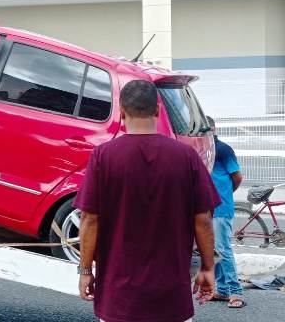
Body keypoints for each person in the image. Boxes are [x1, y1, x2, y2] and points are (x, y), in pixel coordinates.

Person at [74, 80, 220, 322]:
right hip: (171, 296)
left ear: (121, 112)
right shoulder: (186, 156)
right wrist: (207, 267)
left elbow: (90, 219)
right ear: (157, 110)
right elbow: (202, 219)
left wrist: (85, 270)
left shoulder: (104, 156)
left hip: (119, 297)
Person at [206, 116, 245, 308]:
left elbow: (237, 177)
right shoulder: (201, 151)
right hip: (206, 209)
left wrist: (225, 194)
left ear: (213, 129)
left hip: (221, 207)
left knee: (223, 249)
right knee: (215, 250)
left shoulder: (223, 149)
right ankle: (222, 290)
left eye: (206, 130)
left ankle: (236, 292)